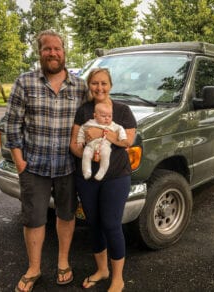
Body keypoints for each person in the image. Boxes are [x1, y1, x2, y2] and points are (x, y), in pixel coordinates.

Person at [5, 30, 88, 292]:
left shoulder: (80, 87)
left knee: (65, 215)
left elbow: (92, 121)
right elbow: (12, 124)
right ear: (39, 52)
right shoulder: (24, 82)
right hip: (34, 168)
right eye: (47, 49)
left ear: (65, 52)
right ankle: (34, 268)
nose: (53, 53)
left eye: (57, 48)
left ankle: (63, 262)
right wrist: (19, 161)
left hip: (67, 168)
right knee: (34, 220)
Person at [70, 68, 137, 292]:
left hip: (116, 176)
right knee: (94, 223)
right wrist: (88, 155)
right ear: (89, 85)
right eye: (95, 83)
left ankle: (118, 277)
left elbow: (127, 141)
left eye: (104, 83)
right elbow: (74, 144)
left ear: (110, 85)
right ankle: (102, 270)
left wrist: (102, 134)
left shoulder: (122, 110)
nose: (99, 88)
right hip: (87, 177)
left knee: (111, 224)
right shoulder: (84, 111)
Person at [77, 102, 130, 180]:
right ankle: (87, 171)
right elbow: (82, 129)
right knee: (86, 154)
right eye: (103, 116)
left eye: (110, 116)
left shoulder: (112, 125)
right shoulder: (90, 123)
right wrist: (80, 140)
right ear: (95, 116)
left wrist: (123, 138)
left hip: (104, 145)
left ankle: (102, 172)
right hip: (90, 145)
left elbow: (120, 129)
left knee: (105, 155)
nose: (107, 118)